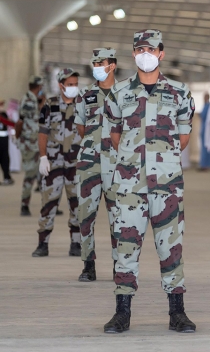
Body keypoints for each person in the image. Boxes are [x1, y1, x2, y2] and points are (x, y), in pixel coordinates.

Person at [104, 29, 196, 333]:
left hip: (167, 184)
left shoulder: (179, 92)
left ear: (161, 53)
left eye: (151, 49)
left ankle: (177, 312)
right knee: (125, 247)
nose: (146, 53)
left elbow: (183, 136)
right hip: (129, 186)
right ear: (133, 53)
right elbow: (115, 135)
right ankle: (122, 312)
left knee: (171, 247)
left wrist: (160, 159)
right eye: (140, 49)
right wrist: (134, 161)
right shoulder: (118, 92)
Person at [74, 48, 119, 282]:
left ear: (112, 65)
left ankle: (119, 265)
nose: (96, 67)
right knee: (86, 215)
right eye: (94, 63)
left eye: (100, 62)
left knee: (119, 217)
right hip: (89, 162)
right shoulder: (84, 94)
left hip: (116, 164)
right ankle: (88, 265)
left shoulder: (125, 93)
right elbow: (81, 127)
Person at [32, 68, 82, 257]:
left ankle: (76, 244)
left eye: (75, 84)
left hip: (75, 163)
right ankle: (42, 243)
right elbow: (43, 132)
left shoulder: (82, 105)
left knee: (77, 203)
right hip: (53, 162)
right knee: (48, 203)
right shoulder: (49, 105)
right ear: (61, 85)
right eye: (70, 84)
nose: (73, 88)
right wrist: (43, 156)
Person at [16, 76, 44, 215]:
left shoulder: (31, 99)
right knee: (30, 174)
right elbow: (27, 119)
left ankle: (49, 205)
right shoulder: (29, 100)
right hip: (29, 144)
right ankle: (24, 205)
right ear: (38, 87)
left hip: (34, 143)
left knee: (42, 173)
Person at [198, 92, 210, 171]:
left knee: (205, 147)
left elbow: (203, 116)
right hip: (206, 128)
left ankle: (205, 164)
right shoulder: (208, 105)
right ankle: (208, 164)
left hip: (205, 129)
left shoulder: (207, 106)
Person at [0, 106, 14, 186]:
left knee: (5, 159)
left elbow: (10, 123)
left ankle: (7, 177)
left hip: (4, 141)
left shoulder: (3, 115)